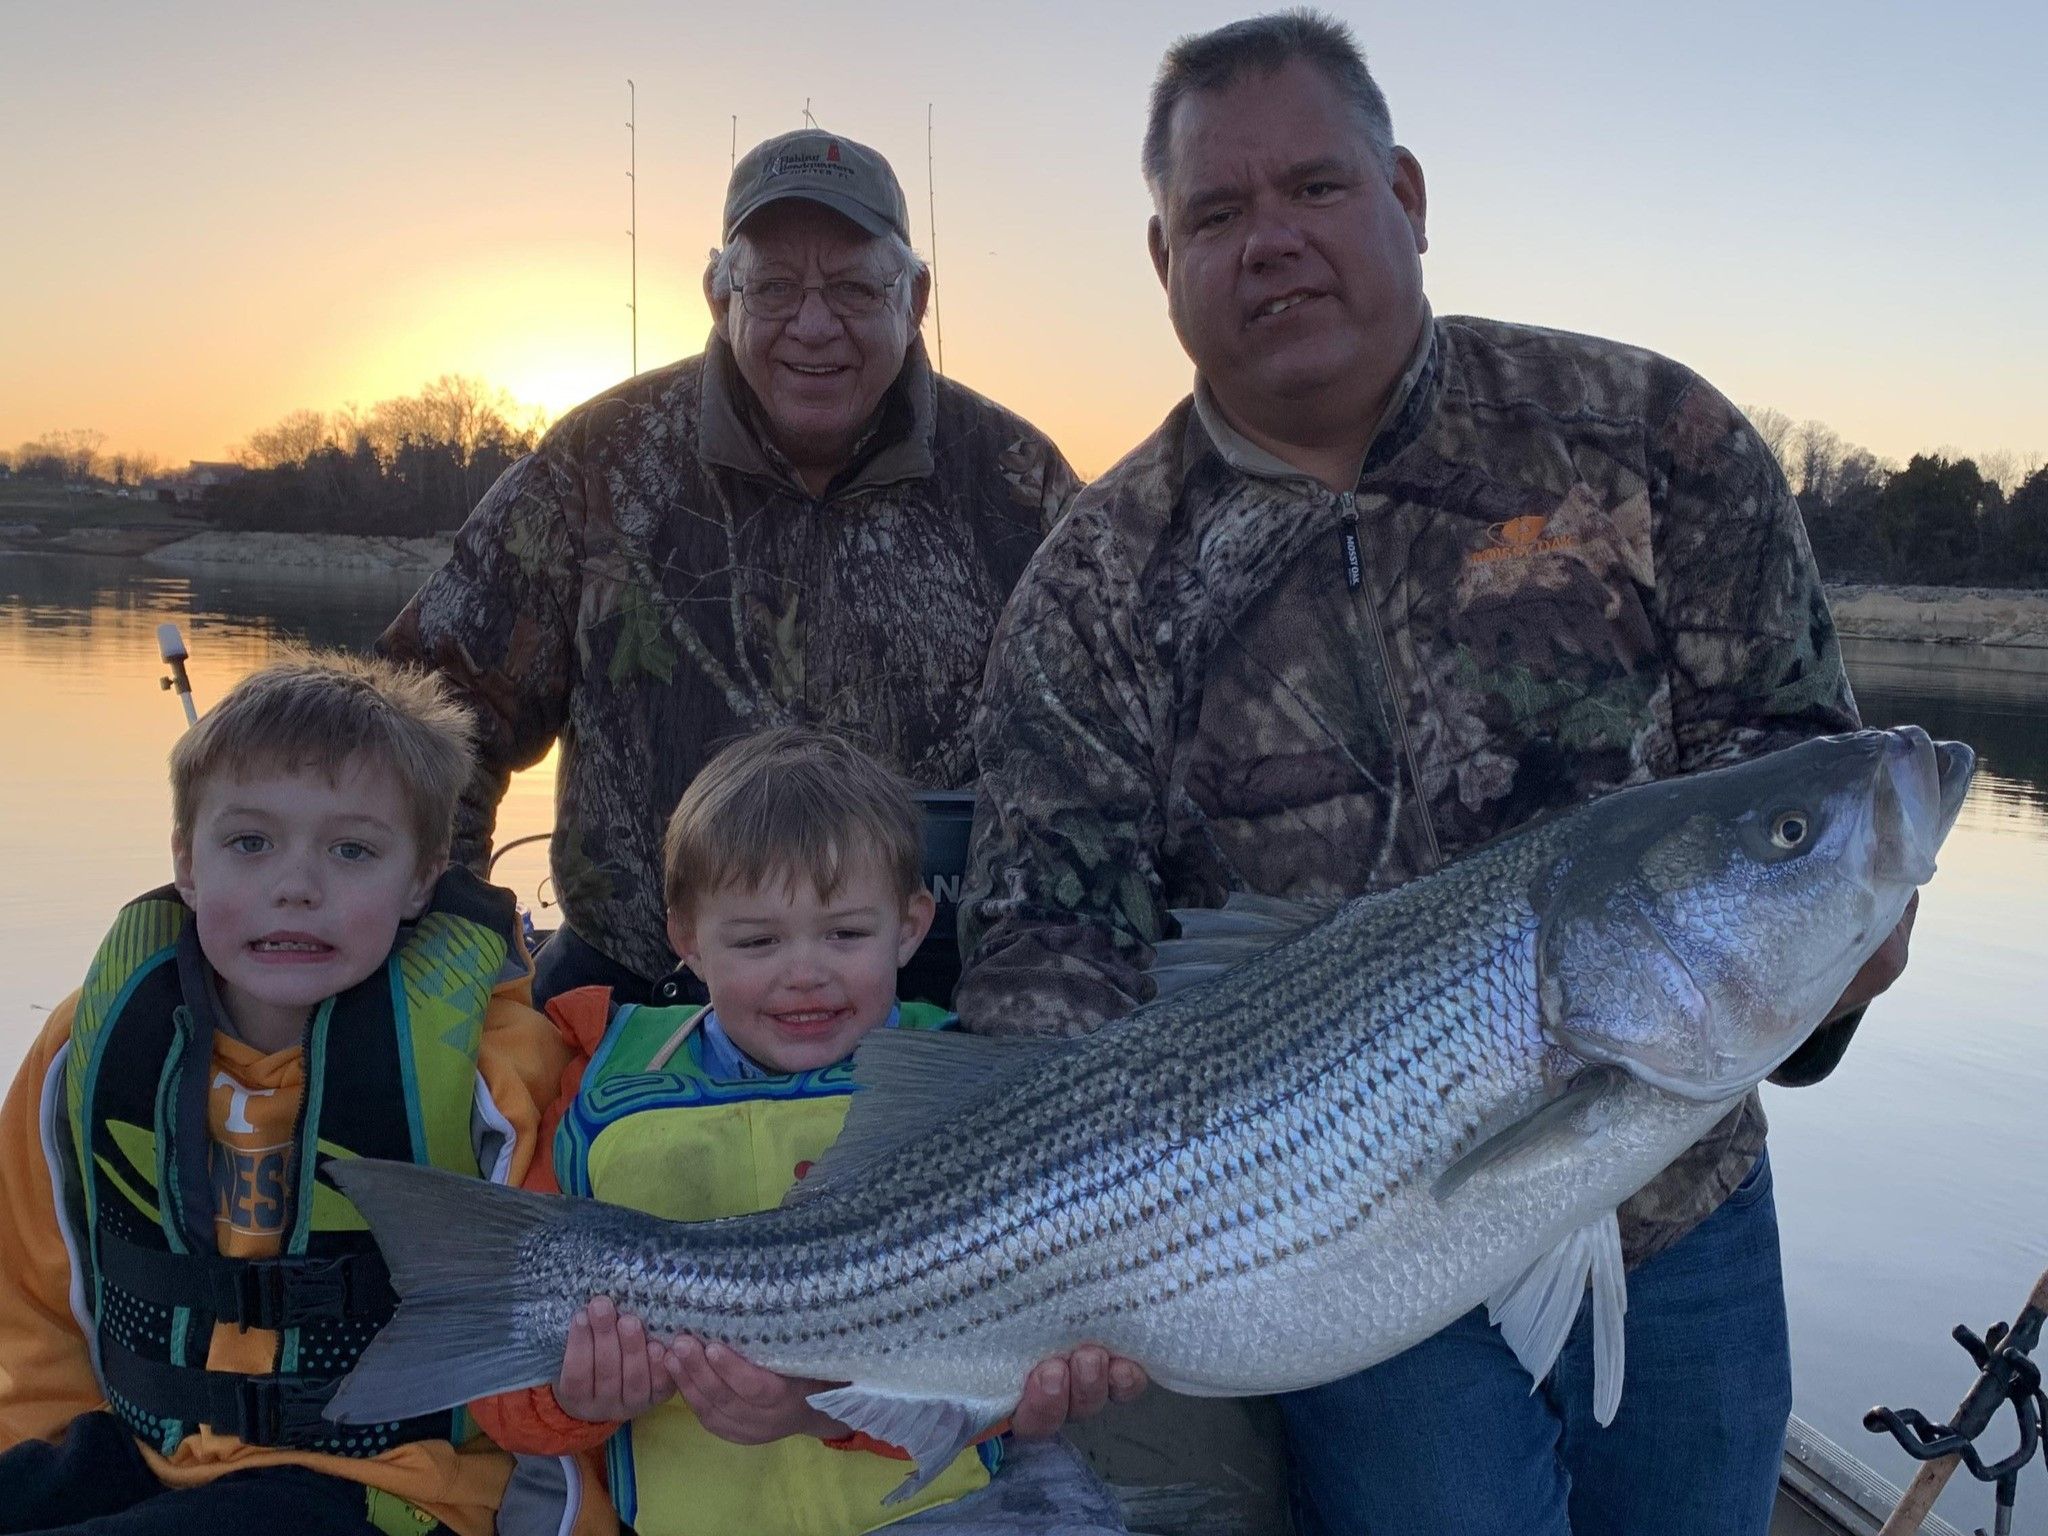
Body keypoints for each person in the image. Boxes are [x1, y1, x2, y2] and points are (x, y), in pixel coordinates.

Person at [956, 13, 1916, 1536]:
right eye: (1218, 211)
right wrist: (1048, 1261)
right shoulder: (1096, 583)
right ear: (1162, 260)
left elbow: (1780, 763)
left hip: (1680, 1197)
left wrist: (1839, 957)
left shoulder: (1646, 437)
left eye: (1315, 187)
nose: (1271, 240)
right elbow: (1047, 945)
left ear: (1404, 196)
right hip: (1321, 1247)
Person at [378, 126, 1081, 1016]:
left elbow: (1095, 768)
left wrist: (1036, 990)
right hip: (634, 995)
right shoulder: (598, 461)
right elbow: (430, 725)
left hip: (935, 1006)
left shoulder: (1018, 483)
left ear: (915, 299)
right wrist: (444, 968)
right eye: (774, 287)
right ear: (719, 297)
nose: (814, 326)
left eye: (855, 287)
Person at [470, 725, 1125, 1536]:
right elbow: (503, 1393)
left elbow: (996, 1369)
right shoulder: (594, 1089)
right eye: (758, 941)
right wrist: (573, 1399)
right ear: (687, 939)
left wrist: (821, 1411)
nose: (805, 973)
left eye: (846, 934)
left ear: (911, 926)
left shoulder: (973, 1091)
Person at [0, 652, 584, 1536]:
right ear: (186, 863)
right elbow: (35, 1302)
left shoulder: (499, 1071)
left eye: (352, 851)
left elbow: (553, 1339)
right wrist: (41, 1462)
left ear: (422, 877)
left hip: (386, 1486)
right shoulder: (86, 1041)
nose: (297, 886)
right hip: (145, 1451)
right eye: (250, 844)